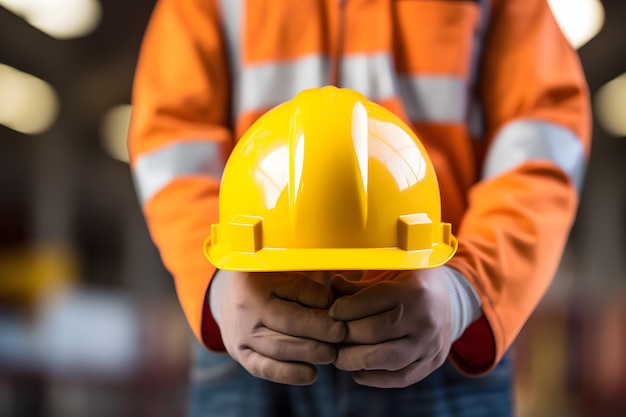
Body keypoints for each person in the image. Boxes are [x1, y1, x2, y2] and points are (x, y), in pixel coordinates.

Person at [127, 0, 590, 416]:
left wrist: (466, 290)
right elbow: (174, 138)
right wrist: (217, 284)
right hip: (248, 330)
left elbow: (542, 136)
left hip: (439, 335)